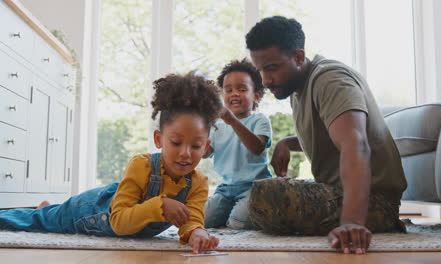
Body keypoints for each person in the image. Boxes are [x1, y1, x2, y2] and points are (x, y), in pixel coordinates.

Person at [0, 72, 222, 254]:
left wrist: (196, 233)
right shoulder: (142, 165)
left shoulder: (198, 182)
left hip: (115, 216)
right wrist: (160, 205)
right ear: (158, 139)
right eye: (175, 142)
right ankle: (44, 211)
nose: (185, 154)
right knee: (39, 221)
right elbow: (118, 222)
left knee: (51, 215)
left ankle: (49, 208)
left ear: (205, 147)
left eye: (195, 146)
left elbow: (191, 218)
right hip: (90, 211)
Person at [245, 16, 407, 254]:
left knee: (268, 196)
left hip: (376, 202)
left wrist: (352, 221)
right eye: (260, 71)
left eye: (271, 68)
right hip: (336, 190)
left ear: (299, 57)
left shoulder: (330, 79)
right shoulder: (296, 89)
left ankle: (361, 221)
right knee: (258, 195)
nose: (266, 81)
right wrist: (287, 143)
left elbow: (356, 144)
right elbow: (330, 133)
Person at [203, 59, 272, 229]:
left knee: (237, 224)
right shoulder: (217, 125)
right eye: (229, 90)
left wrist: (232, 121)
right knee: (204, 220)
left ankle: (240, 215)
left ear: (257, 95)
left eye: (242, 89)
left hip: (254, 188)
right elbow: (205, 152)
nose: (234, 93)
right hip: (226, 188)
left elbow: (257, 147)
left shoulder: (260, 120)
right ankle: (229, 212)